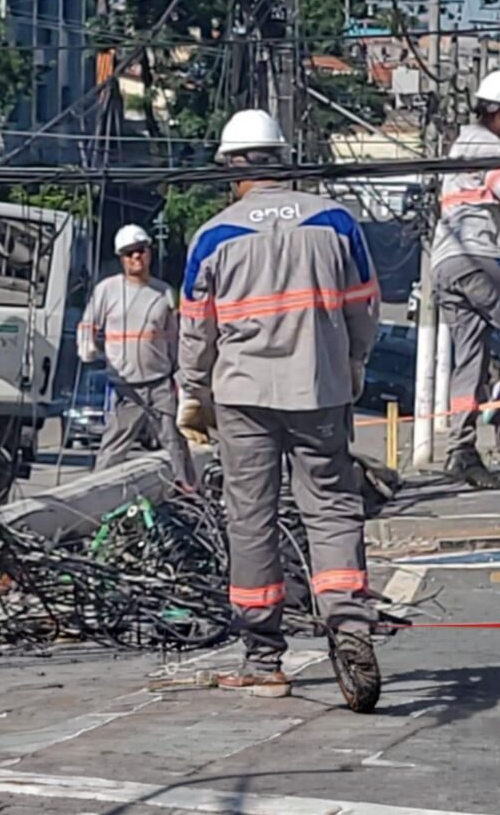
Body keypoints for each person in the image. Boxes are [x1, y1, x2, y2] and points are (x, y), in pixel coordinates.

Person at [177, 108, 380, 696]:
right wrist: (352, 363)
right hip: (319, 389)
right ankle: (349, 626)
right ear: (283, 160)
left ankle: (263, 659)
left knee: (251, 518)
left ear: (231, 169)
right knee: (333, 507)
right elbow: (364, 307)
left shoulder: (214, 235)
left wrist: (193, 392)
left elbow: (196, 329)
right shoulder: (335, 222)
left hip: (242, 397)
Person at [432, 69, 500, 489]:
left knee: (469, 358)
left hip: (446, 264)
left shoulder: (460, 146)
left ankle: (461, 449)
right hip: (480, 258)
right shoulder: (487, 143)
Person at [77, 224, 195, 487]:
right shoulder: (107, 290)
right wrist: (87, 346)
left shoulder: (164, 292)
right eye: (129, 253)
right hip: (125, 387)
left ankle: (188, 490)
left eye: (140, 250)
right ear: (121, 258)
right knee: (113, 448)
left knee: (175, 443)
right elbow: (88, 324)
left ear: (149, 252)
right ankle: (96, 492)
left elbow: (174, 337)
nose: (136, 257)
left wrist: (181, 374)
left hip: (159, 384)